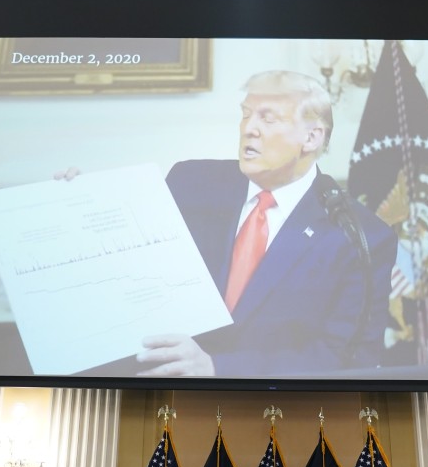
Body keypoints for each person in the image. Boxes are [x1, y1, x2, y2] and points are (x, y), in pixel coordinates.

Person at [133, 70, 396, 377]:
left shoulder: (361, 237)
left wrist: (216, 367)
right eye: (246, 115)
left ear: (311, 137)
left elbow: (342, 357)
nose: (249, 129)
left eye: (267, 119)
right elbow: (125, 256)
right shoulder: (189, 182)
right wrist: (75, 198)